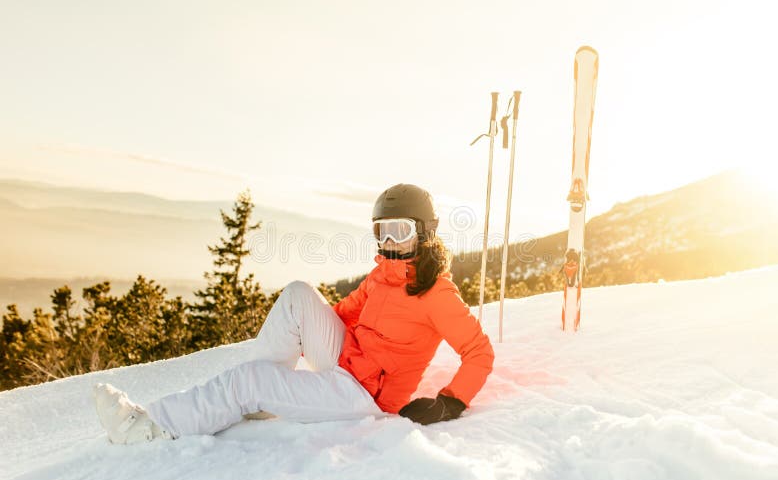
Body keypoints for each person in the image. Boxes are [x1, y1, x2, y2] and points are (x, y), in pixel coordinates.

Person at [93, 183, 495, 444]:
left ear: (425, 231)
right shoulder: (382, 275)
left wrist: (449, 402)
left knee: (248, 378)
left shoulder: (437, 293)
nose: (389, 241)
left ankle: (152, 429)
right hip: (347, 361)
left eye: (401, 231)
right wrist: (310, 327)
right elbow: (341, 312)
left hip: (363, 395)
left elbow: (480, 353)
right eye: (382, 231)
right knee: (299, 294)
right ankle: (255, 398)